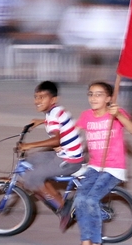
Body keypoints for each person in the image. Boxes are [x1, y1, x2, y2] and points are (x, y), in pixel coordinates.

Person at [67, 81, 132, 245]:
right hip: (95, 166)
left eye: (99, 94)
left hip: (113, 168)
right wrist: (62, 143)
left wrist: (118, 116)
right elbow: (72, 133)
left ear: (108, 98)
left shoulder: (115, 114)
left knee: (91, 200)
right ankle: (84, 243)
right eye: (90, 94)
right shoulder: (86, 115)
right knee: (80, 200)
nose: (93, 98)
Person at [17, 80, 84, 218]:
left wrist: (29, 145)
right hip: (67, 154)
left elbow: (56, 140)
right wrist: (41, 121)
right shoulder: (56, 111)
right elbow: (58, 123)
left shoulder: (53, 115)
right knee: (31, 160)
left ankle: (63, 207)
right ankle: (50, 190)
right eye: (36, 97)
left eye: (42, 97)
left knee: (31, 177)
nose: (37, 100)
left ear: (53, 99)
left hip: (68, 160)